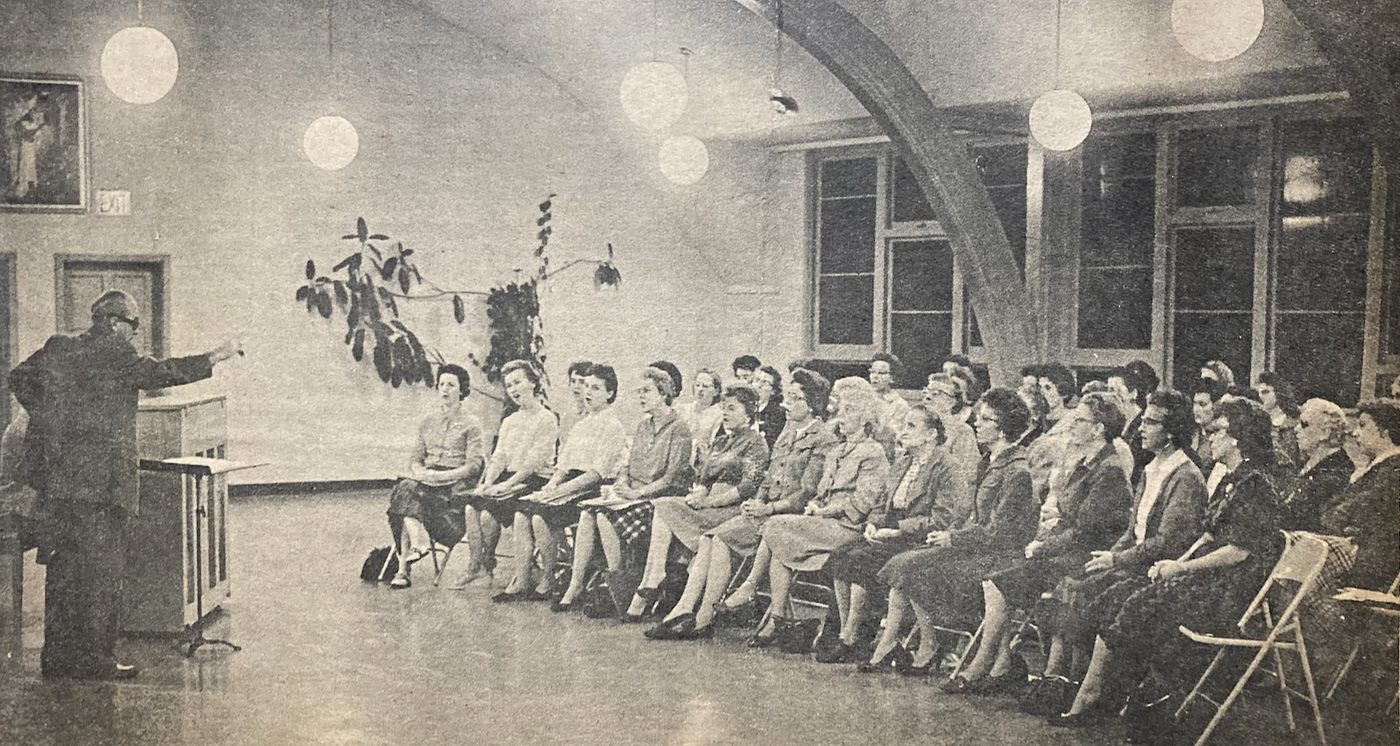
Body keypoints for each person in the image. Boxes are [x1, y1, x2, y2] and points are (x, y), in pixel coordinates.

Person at [11, 290, 241, 680]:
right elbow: (163, 372)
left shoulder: (58, 347)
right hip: (102, 489)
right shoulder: (116, 352)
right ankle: (97, 660)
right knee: (101, 579)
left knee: (63, 574)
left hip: (59, 487)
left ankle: (57, 657)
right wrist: (214, 357)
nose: (135, 333)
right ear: (115, 323)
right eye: (133, 325)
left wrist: (52, 417)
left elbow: (18, 378)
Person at [1055, 398, 1280, 729]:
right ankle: (1101, 692)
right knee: (1116, 596)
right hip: (1205, 577)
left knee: (1135, 603)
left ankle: (1098, 694)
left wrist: (1182, 568)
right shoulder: (1232, 479)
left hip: (1228, 591)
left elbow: (1238, 551)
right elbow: (1207, 536)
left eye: (1217, 431)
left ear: (1237, 437)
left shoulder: (1255, 484)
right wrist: (1175, 563)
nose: (1210, 437)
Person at [1025, 389, 1206, 718]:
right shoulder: (1152, 467)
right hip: (1134, 561)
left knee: (1086, 591)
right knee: (1074, 584)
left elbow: (1166, 542)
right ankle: (1063, 681)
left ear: (1171, 431)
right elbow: (1132, 531)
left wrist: (1117, 560)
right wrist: (1109, 556)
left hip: (1156, 570)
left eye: (1151, 422)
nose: (1141, 428)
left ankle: (1089, 691)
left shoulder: (1185, 476)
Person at [954, 394, 1132, 694]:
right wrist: (1043, 540)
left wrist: (1042, 547)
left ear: (1098, 429)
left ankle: (986, 665)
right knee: (998, 580)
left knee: (1001, 581)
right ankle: (999, 664)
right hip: (1066, 549)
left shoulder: (1109, 469)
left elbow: (1084, 531)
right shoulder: (1086, 463)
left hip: (1086, 556)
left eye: (1080, 420)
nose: (1071, 425)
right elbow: (1067, 518)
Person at [868, 388, 1038, 684]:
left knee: (910, 566)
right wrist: (953, 534)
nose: (977, 423)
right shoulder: (991, 461)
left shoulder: (1016, 471)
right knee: (907, 563)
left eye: (985, 419)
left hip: (998, 557)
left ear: (1001, 429)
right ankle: (924, 644)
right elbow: (976, 519)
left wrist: (954, 539)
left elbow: (999, 532)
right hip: (977, 546)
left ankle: (940, 648)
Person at [703, 380, 889, 646]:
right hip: (822, 522)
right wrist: (815, 505)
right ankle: (775, 619)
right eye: (841, 410)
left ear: (865, 418)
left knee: (775, 526)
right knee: (781, 546)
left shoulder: (873, 452)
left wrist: (824, 511)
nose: (840, 417)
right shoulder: (838, 450)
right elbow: (819, 492)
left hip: (847, 527)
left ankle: (750, 586)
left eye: (849, 411)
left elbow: (863, 501)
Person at [656, 369, 835, 634]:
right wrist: (758, 501)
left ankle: (703, 617)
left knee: (721, 537)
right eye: (787, 396)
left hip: (787, 516)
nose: (786, 403)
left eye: (795, 398)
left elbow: (806, 491)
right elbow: (766, 479)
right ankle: (686, 609)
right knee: (711, 538)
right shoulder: (787, 434)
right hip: (763, 510)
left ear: (812, 404)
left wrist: (769, 507)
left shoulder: (823, 439)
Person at [819, 405, 964, 665]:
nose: (903, 431)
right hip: (889, 533)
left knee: (860, 560)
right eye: (904, 425)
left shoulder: (946, 466)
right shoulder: (903, 463)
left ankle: (852, 635)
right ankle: (846, 629)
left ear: (931, 434)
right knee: (841, 555)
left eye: (911, 426)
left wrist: (898, 530)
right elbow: (881, 502)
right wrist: (872, 524)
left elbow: (942, 519)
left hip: (918, 539)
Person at [622, 383, 769, 620]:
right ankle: (655, 573)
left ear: (749, 412)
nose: (725, 413)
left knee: (667, 508)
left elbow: (748, 486)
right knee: (664, 503)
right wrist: (699, 492)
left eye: (732, 408)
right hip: (708, 502)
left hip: (730, 507)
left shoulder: (756, 442)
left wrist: (711, 502)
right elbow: (703, 478)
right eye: (723, 408)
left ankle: (649, 590)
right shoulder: (721, 442)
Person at [555, 368, 692, 611]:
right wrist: (621, 482)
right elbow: (627, 465)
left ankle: (617, 586)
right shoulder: (643, 426)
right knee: (587, 514)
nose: (641, 396)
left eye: (646, 391)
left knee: (604, 516)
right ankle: (576, 584)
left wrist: (637, 493)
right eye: (639, 392)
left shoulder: (679, 428)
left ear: (664, 393)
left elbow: (671, 478)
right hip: (631, 495)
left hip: (657, 499)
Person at [492, 363, 627, 602]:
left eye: (595, 388)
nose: (587, 392)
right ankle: (522, 579)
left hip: (590, 488)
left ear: (610, 393)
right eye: (586, 386)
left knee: (540, 517)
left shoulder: (612, 426)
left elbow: (596, 473)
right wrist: (550, 486)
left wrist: (560, 491)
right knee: (522, 513)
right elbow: (563, 465)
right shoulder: (581, 425)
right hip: (568, 483)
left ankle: (548, 579)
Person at [457, 360, 558, 588]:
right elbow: (499, 456)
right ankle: (476, 564)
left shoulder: (547, 419)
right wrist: (488, 482)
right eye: (509, 385)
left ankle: (488, 562)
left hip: (535, 480)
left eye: (518, 382)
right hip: (508, 478)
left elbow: (533, 463)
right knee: (471, 507)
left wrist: (506, 485)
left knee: (487, 515)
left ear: (532, 383)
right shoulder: (510, 421)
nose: (513, 389)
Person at [384, 363, 486, 589]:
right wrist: (422, 473)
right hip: (426, 482)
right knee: (405, 487)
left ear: (462, 389)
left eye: (451, 385)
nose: (445, 389)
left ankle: (404, 568)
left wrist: (442, 477)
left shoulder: (472, 424)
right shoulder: (427, 421)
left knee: (405, 499)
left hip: (454, 487)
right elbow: (415, 459)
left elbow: (473, 466)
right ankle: (416, 547)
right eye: (441, 384)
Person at [1323, 400, 1400, 592]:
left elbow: (1357, 510)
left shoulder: (1394, 470)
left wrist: (1337, 519)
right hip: (1361, 553)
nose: (1355, 432)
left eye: (1363, 425)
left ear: (1385, 432)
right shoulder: (1375, 469)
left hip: (1372, 561)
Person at [1277, 398, 1353, 532]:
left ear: (1325, 432)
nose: (1296, 429)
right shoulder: (1311, 464)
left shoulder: (1335, 473)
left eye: (1304, 424)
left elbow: (1296, 517)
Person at [922, 372, 981, 490]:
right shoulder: (921, 427)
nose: (927, 397)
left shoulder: (961, 431)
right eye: (926, 391)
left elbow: (968, 474)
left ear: (951, 402)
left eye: (936, 393)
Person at [675, 367, 723, 467]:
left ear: (716, 391)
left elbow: (714, 446)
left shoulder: (719, 415)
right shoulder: (683, 410)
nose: (700, 389)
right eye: (697, 385)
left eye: (705, 386)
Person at [1253, 371, 1300, 468]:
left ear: (1278, 392)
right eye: (1258, 393)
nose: (1260, 396)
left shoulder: (1293, 422)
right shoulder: (1257, 420)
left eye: (1265, 392)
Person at [870, 352, 911, 434]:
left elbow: (892, 433)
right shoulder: (863, 398)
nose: (875, 376)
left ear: (893, 378)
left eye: (881, 373)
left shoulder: (900, 405)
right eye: (872, 372)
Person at [751, 365, 787, 451]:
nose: (759, 385)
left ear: (773, 390)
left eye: (765, 382)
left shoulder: (779, 413)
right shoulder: (743, 408)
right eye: (757, 380)